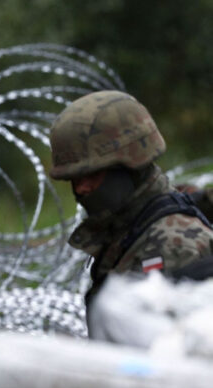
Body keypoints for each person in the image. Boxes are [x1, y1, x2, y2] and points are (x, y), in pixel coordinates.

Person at [48, 90, 213, 326]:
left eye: (91, 174)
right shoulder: (127, 228)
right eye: (73, 178)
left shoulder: (173, 244)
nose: (81, 188)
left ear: (131, 164)